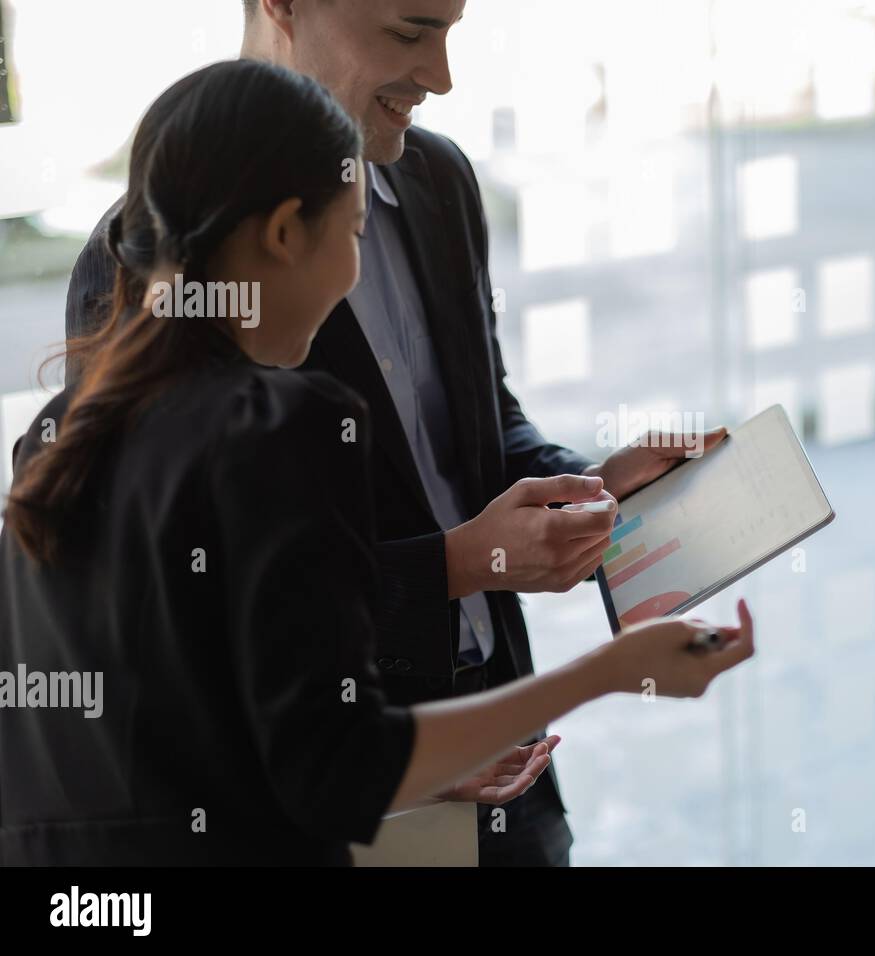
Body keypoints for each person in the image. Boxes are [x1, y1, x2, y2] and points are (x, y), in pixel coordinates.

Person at [1, 59, 753, 867]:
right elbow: (337, 768)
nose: (357, 267)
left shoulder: (59, 439)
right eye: (354, 233)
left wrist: (591, 487)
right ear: (286, 233)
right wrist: (609, 670)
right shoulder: (283, 423)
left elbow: (192, 713)